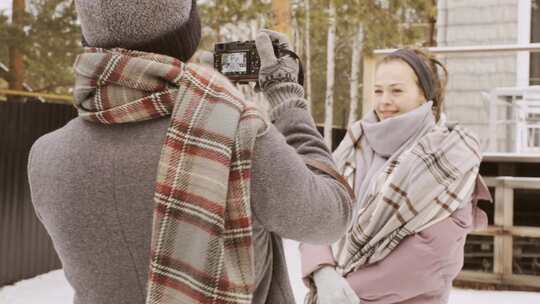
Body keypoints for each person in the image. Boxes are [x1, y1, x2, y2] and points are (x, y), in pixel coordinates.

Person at [27, 1, 353, 303]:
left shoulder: (46, 156)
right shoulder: (238, 137)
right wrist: (288, 99)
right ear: (187, 34)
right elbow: (332, 215)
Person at [300, 48, 492, 304]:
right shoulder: (355, 143)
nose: (384, 101)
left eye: (396, 90)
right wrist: (323, 273)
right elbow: (318, 211)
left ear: (424, 94)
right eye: (378, 90)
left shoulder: (448, 157)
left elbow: (433, 258)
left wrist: (343, 290)